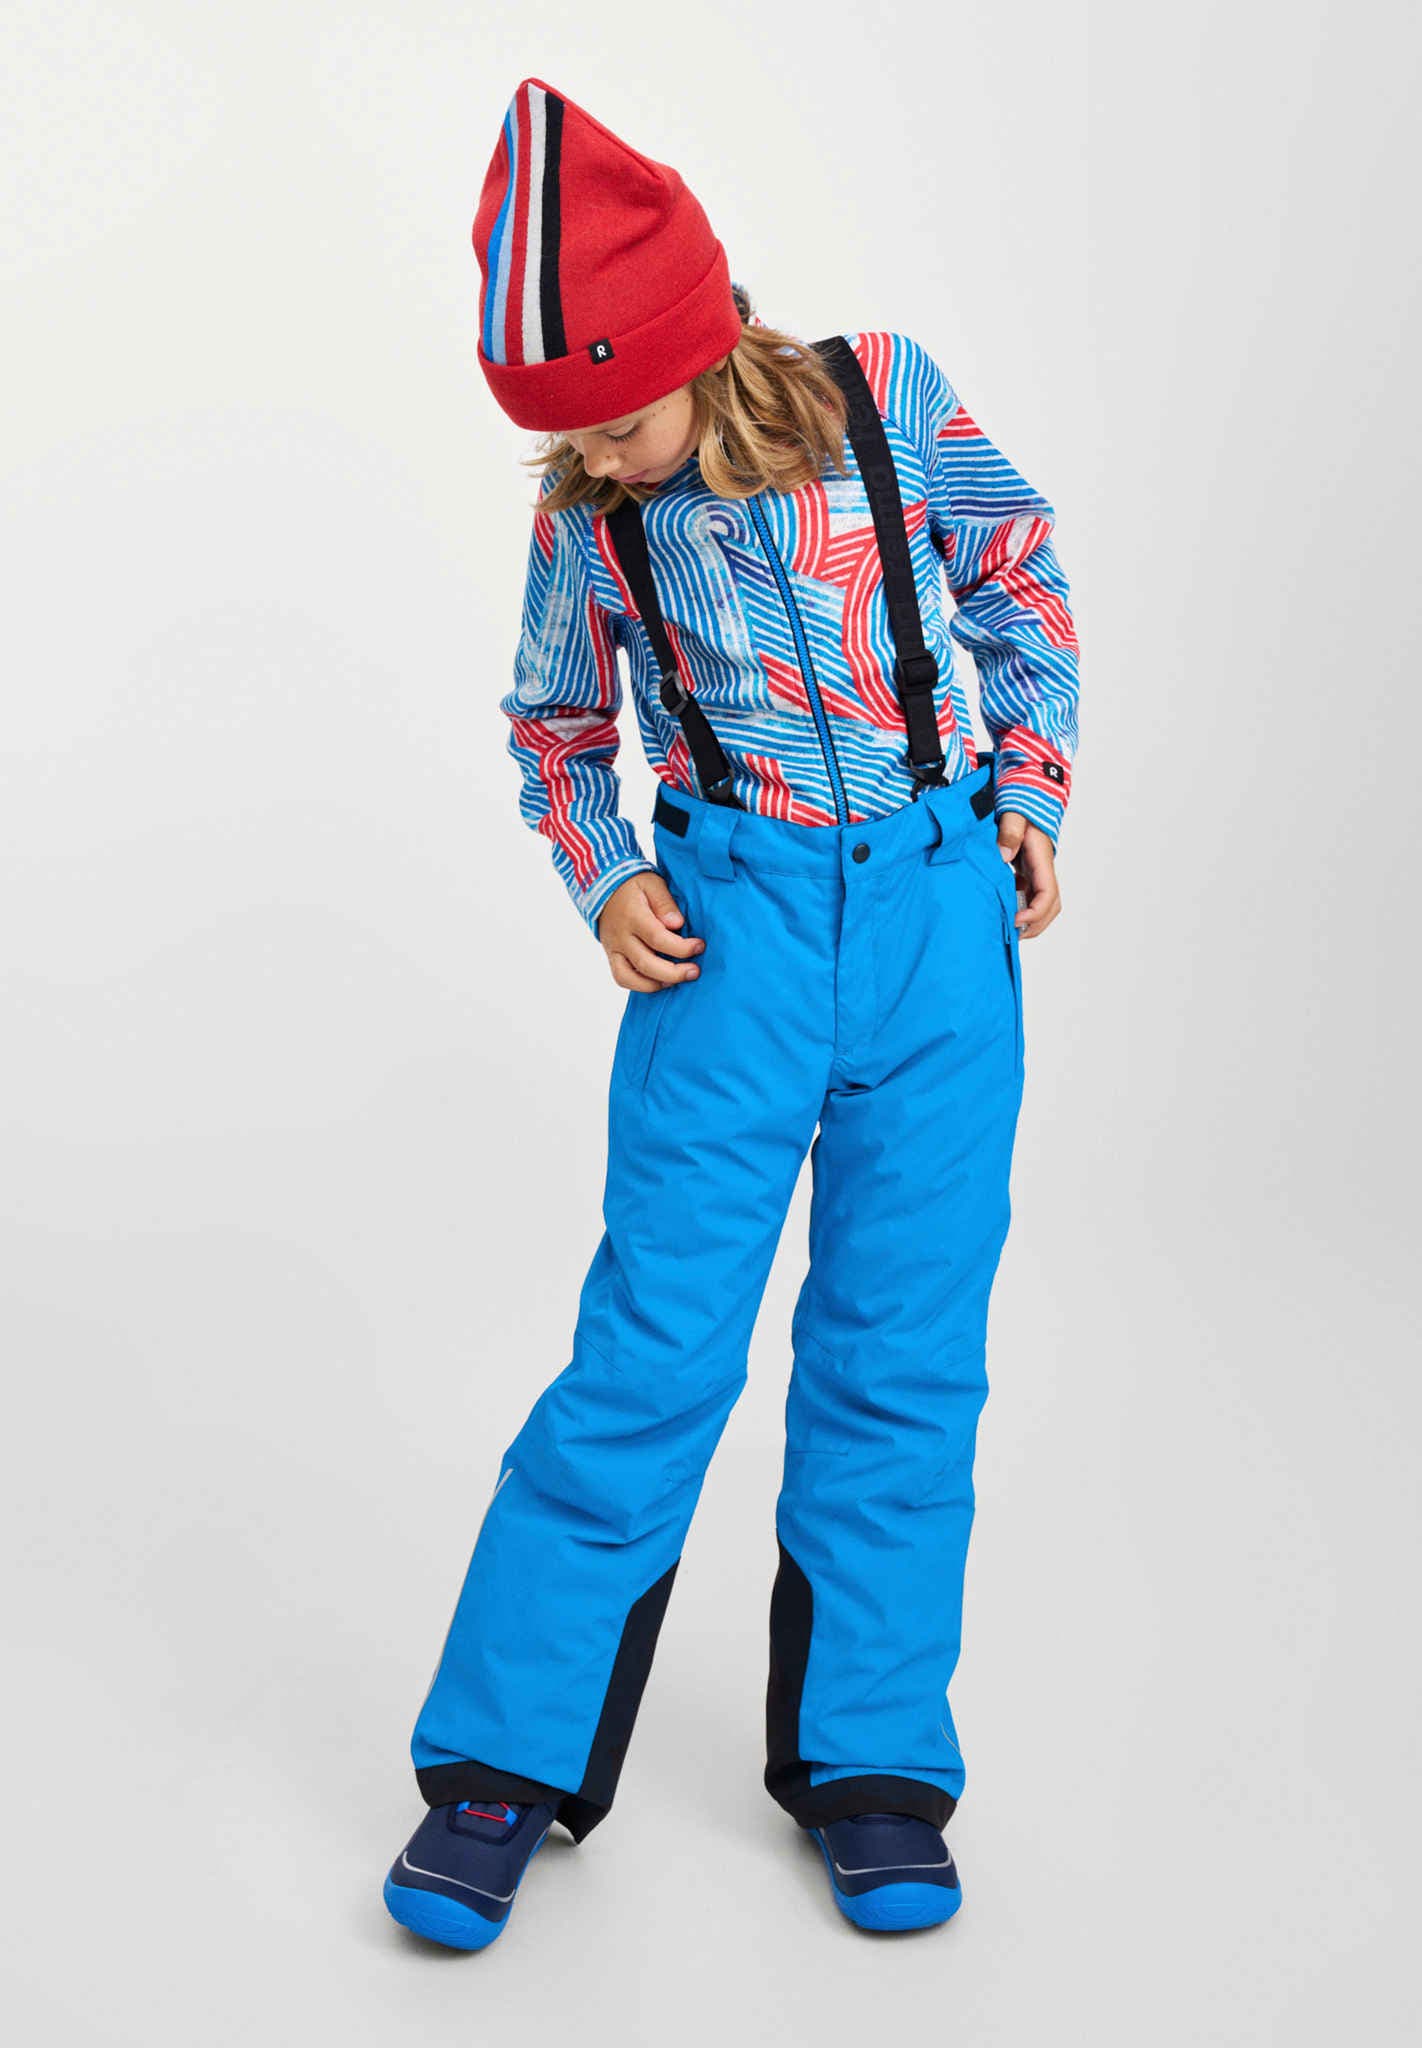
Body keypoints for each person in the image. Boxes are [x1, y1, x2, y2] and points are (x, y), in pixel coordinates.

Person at [382, 73, 1080, 1948]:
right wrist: (605, 874)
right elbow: (553, 725)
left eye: (614, 419)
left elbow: (1019, 579)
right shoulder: (593, 523)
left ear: (699, 338)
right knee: (653, 1349)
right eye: (563, 434)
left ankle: (872, 1767)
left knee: (901, 1353)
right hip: (733, 943)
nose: (598, 458)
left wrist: (1028, 790)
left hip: (937, 929)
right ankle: (500, 1765)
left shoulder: (884, 398)